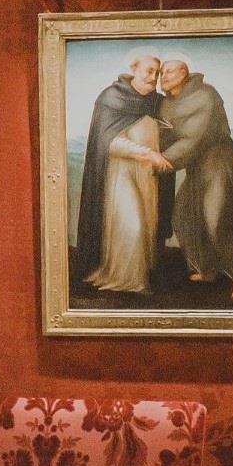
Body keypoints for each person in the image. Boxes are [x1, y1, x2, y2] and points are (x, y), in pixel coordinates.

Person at [156, 57, 233, 300]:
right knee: (184, 216)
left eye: (169, 71)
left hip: (220, 164)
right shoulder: (167, 104)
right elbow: (166, 136)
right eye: (161, 72)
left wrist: (163, 160)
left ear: (184, 73)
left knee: (218, 219)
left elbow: (196, 138)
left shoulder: (206, 95)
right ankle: (206, 269)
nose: (163, 76)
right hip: (196, 168)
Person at [75, 53, 167, 294]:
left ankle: (136, 279)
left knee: (147, 227)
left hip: (148, 176)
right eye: (149, 71)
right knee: (132, 224)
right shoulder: (111, 98)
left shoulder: (156, 102)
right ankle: (126, 282)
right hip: (119, 174)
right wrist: (147, 153)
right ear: (134, 68)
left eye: (157, 73)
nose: (153, 78)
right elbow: (109, 142)